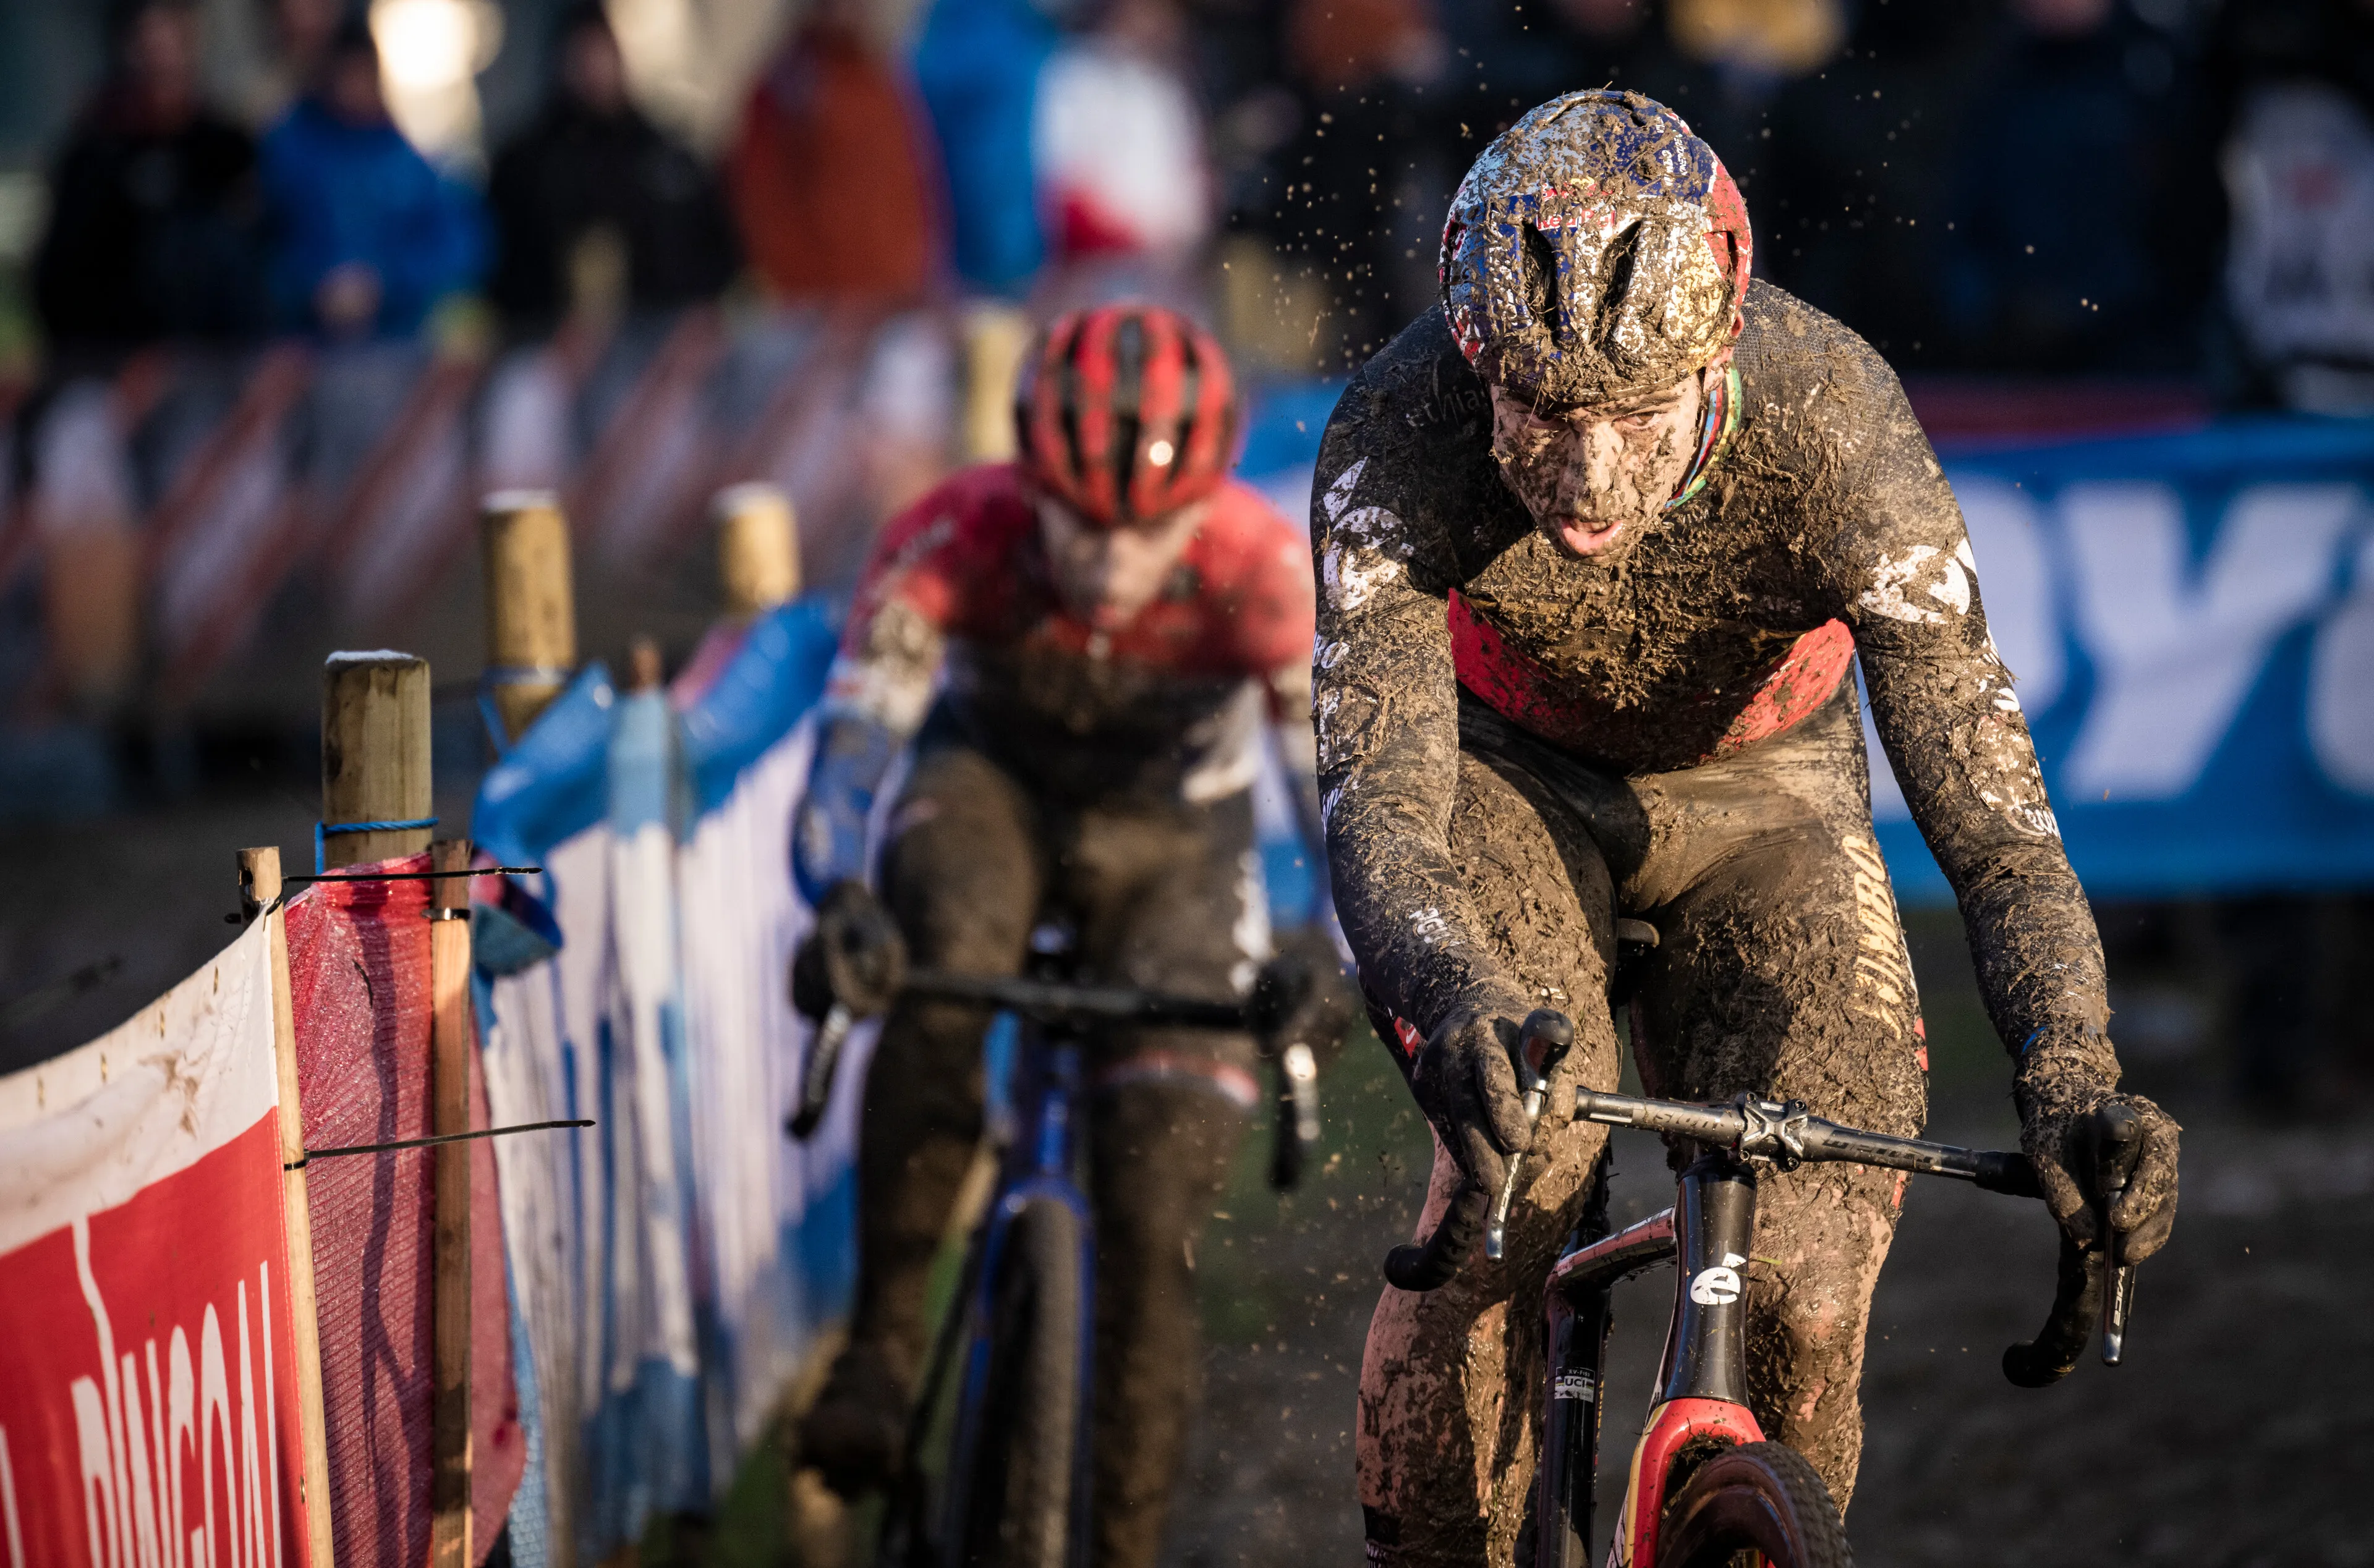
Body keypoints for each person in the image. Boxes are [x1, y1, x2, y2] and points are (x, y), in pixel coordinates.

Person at [1307, 91, 2182, 1562]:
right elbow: (1383, 804)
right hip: (1506, 786)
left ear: (1714, 354)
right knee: (1522, 1169)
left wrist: (2073, 1066)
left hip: (1768, 801)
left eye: (1635, 416)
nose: (1587, 479)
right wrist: (1450, 994)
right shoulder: (1396, 429)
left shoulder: (1834, 421)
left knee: (1807, 1291)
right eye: (1539, 412)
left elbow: (1996, 822)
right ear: (1472, 358)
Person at [789, 303, 1335, 1568]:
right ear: (1026, 483)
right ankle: (879, 1354)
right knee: (941, 951)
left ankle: (1123, 1544)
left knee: (1150, 1206)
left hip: (1175, 841)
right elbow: (851, 757)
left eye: (1150, 529)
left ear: (1207, 502)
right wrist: (838, 896)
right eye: (1078, 521)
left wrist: (1325, 946)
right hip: (988, 791)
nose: (1110, 560)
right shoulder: (952, 531)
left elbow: (1341, 809)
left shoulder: (1260, 570)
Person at [34, 0, 265, 368]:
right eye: (151, 47)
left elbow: (255, 261)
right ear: (128, 51)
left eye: (175, 45)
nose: (163, 62)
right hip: (112, 365)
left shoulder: (226, 148)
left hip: (220, 365)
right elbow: (61, 277)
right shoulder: (95, 153)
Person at [484, 3, 740, 336]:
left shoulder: (667, 153)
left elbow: (718, 254)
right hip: (553, 344)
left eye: (601, 52)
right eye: (582, 54)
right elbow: (501, 272)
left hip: (672, 339)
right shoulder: (525, 165)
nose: (594, 68)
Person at [258, 17, 485, 338]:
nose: (356, 88)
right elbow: (263, 246)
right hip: (302, 343)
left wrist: (384, 284)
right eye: (346, 75)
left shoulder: (408, 160)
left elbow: (460, 245)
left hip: (397, 340)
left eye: (364, 74)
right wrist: (311, 287)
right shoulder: (287, 150)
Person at [725, 0, 942, 308]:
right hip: (823, 305)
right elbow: (763, 199)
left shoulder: (878, 76)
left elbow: (911, 183)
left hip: (892, 296)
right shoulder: (791, 82)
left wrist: (917, 273)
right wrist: (809, 289)